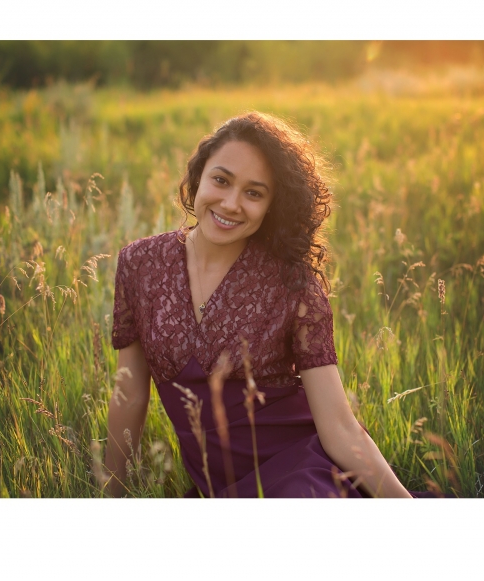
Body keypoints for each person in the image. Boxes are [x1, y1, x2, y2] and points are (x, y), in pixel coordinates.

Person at [104, 111, 413, 498]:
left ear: (272, 206)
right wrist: (108, 496)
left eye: (254, 193)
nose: (231, 203)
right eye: (221, 180)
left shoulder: (292, 283)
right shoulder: (139, 264)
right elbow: (129, 394)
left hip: (301, 472)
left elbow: (340, 427)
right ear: (199, 177)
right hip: (221, 489)